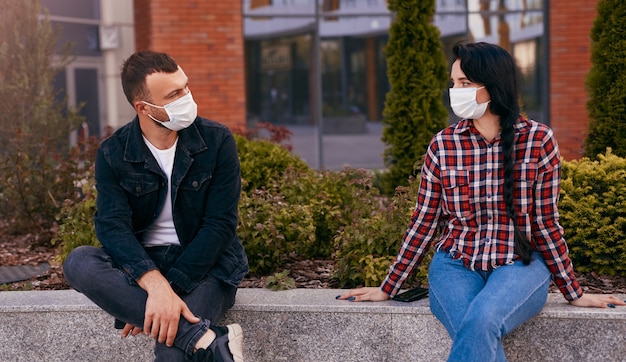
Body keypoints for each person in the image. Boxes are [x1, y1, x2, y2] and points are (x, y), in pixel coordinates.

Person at [338, 41, 626, 361]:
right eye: (453, 83)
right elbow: (424, 221)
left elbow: (545, 222)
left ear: (493, 86)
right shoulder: (443, 145)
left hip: (522, 262)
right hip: (455, 263)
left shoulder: (538, 140)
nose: (455, 91)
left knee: (482, 320)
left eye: (465, 83)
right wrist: (388, 287)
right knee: (473, 325)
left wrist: (574, 292)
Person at [63, 50, 249, 362]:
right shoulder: (113, 152)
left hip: (206, 265)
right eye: (174, 94)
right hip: (145, 263)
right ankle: (209, 339)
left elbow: (219, 226)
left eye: (185, 87)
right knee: (79, 261)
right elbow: (112, 227)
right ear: (144, 107)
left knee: (171, 351)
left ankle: (199, 338)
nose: (186, 97)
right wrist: (152, 284)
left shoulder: (217, 141)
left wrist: (162, 295)